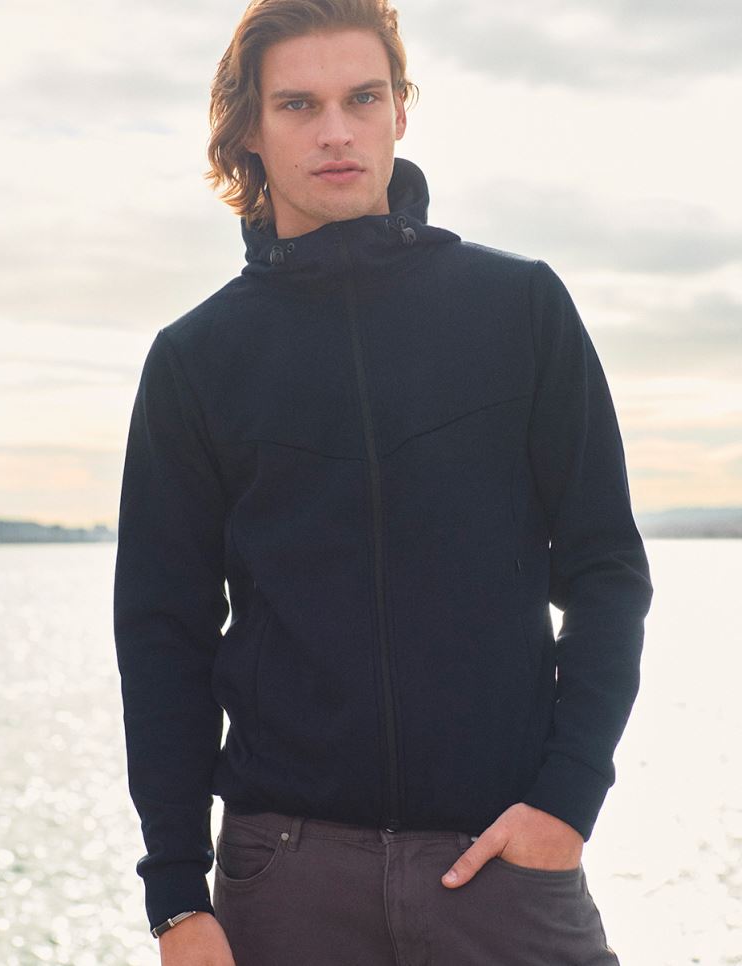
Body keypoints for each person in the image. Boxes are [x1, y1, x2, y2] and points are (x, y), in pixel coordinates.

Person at [113, 0, 654, 963]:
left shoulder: (519, 308)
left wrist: (566, 803)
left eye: (363, 98)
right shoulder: (197, 359)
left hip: (501, 867)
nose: (336, 131)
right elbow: (163, 637)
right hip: (286, 883)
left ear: (401, 110)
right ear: (248, 129)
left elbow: (607, 568)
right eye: (298, 105)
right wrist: (176, 898)